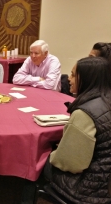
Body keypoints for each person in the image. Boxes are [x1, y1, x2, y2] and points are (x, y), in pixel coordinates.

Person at [45, 57, 111, 203]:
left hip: (90, 189)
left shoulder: (85, 114)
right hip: (105, 182)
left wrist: (52, 154)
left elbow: (71, 164)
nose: (69, 79)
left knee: (40, 160)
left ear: (88, 79)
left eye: (74, 75)